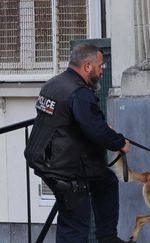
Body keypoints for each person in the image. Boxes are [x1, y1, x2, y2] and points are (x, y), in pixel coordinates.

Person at [24, 44, 131, 243]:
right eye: (100, 66)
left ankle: (107, 238)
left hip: (49, 159)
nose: (102, 70)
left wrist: (101, 126)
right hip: (65, 169)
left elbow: (74, 121)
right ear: (87, 66)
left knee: (106, 182)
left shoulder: (54, 84)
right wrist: (120, 143)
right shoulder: (78, 93)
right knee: (75, 223)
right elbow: (95, 130)